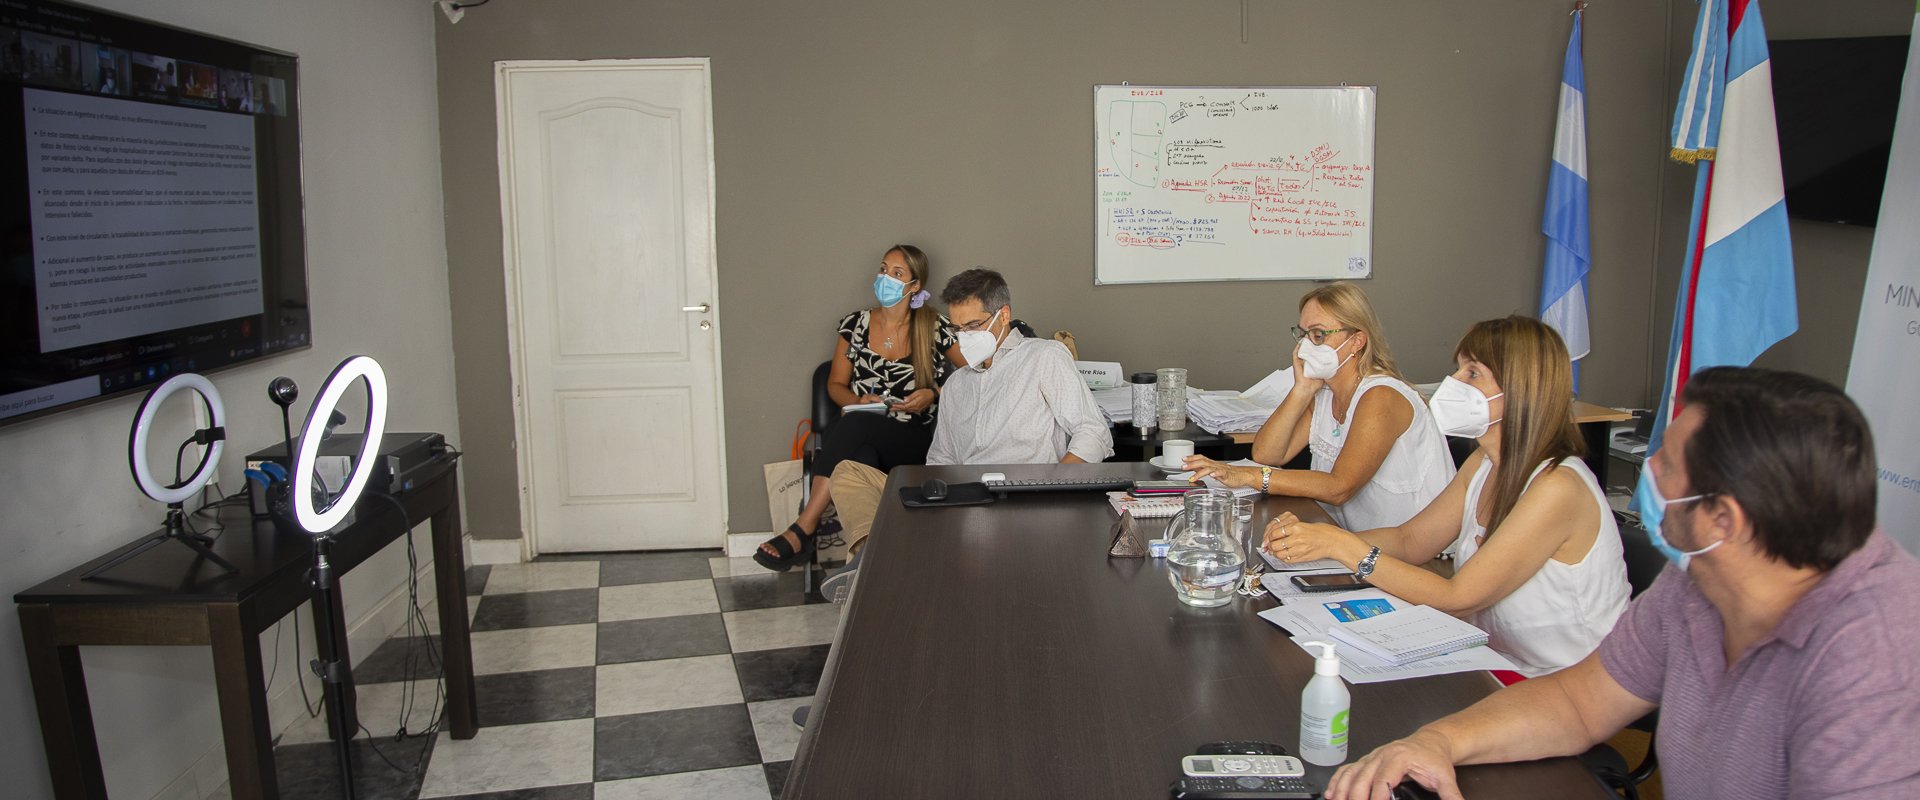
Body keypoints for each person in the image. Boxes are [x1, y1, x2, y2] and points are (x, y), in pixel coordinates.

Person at [1326, 366, 1920, 800]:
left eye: (1669, 464)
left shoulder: (1877, 660)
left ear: (1725, 519)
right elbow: (1577, 703)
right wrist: (1436, 741)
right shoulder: (1701, 580)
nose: (1649, 469)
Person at [1267, 316, 1628, 677]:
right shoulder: (1484, 462)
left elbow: (1457, 598)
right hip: (1495, 659)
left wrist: (1342, 546)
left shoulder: (1557, 487)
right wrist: (1318, 540)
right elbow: (1411, 540)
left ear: (1521, 390)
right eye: (1458, 369)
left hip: (1569, 681)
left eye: (1472, 373)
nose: (1453, 382)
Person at [819, 267, 1113, 597]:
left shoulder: (1043, 357)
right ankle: (869, 557)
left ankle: (874, 570)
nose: (965, 337)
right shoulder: (956, 385)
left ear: (1003, 315)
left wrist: (1053, 486)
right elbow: (940, 459)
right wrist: (928, 498)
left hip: (1021, 499)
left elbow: (1093, 432)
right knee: (848, 473)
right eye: (958, 329)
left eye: (973, 326)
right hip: (961, 499)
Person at [753, 244, 964, 570]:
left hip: (912, 439)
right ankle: (865, 562)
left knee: (853, 426)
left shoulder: (934, 326)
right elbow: (835, 385)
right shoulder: (855, 324)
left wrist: (933, 394)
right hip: (860, 434)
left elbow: (972, 375)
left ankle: (805, 528)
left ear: (915, 286)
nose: (885, 278)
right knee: (858, 455)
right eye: (883, 269)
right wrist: (857, 401)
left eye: (897, 273)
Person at [1183, 282, 1454, 531]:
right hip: (1350, 540)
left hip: (1413, 551)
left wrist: (1248, 476)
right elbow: (1268, 454)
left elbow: (1340, 487)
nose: (1305, 346)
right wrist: (1301, 390)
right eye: (1302, 334)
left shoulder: (1381, 396)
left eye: (1318, 335)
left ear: (1357, 342)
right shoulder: (1324, 391)